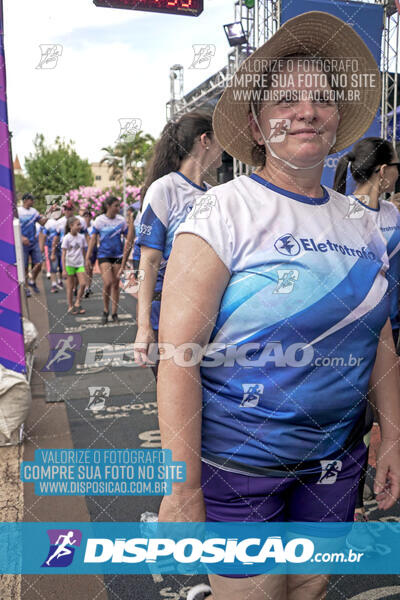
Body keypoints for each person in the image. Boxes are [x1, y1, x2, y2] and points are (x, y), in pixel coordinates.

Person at [156, 12, 400, 600]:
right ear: (257, 124)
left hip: (334, 463)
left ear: (338, 119)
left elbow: (381, 338)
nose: (307, 110)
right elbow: (178, 356)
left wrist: (391, 432)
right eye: (285, 99)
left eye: (322, 98)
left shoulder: (362, 225)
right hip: (235, 468)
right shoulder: (220, 214)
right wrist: (182, 488)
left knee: (311, 590)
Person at [333, 138, 400, 526]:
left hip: (391, 330)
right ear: (382, 171)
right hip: (353, 335)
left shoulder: (393, 214)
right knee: (354, 422)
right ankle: (352, 500)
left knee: (385, 416)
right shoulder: (339, 214)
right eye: (397, 166)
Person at [132, 111, 222, 377]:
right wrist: (144, 326)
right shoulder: (164, 189)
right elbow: (148, 260)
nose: (223, 151)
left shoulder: (216, 194)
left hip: (209, 315)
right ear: (204, 140)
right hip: (168, 314)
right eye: (219, 142)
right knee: (177, 402)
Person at [85, 196, 128, 324]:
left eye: (118, 206)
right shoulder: (99, 220)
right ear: (108, 206)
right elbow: (93, 239)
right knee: (108, 282)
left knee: (116, 284)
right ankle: (105, 310)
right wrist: (87, 257)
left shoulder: (121, 221)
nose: (118, 208)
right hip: (104, 254)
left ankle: (114, 312)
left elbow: (128, 237)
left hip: (118, 255)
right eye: (116, 206)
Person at [17, 193, 47, 296]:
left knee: (39, 263)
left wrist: (50, 213)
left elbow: (42, 222)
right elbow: (12, 226)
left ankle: (32, 280)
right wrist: (20, 237)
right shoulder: (17, 211)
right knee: (25, 267)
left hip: (33, 242)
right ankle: (26, 288)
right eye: (31, 200)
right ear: (25, 200)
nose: (33, 202)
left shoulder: (34, 211)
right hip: (22, 244)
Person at [61, 216, 87, 314]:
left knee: (83, 284)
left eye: (80, 224)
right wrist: (64, 269)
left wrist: (85, 262)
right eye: (78, 224)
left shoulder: (82, 237)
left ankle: (77, 302)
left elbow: (83, 250)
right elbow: (63, 254)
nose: (80, 226)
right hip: (69, 264)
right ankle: (70, 306)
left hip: (79, 264)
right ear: (71, 226)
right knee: (70, 287)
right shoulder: (67, 238)